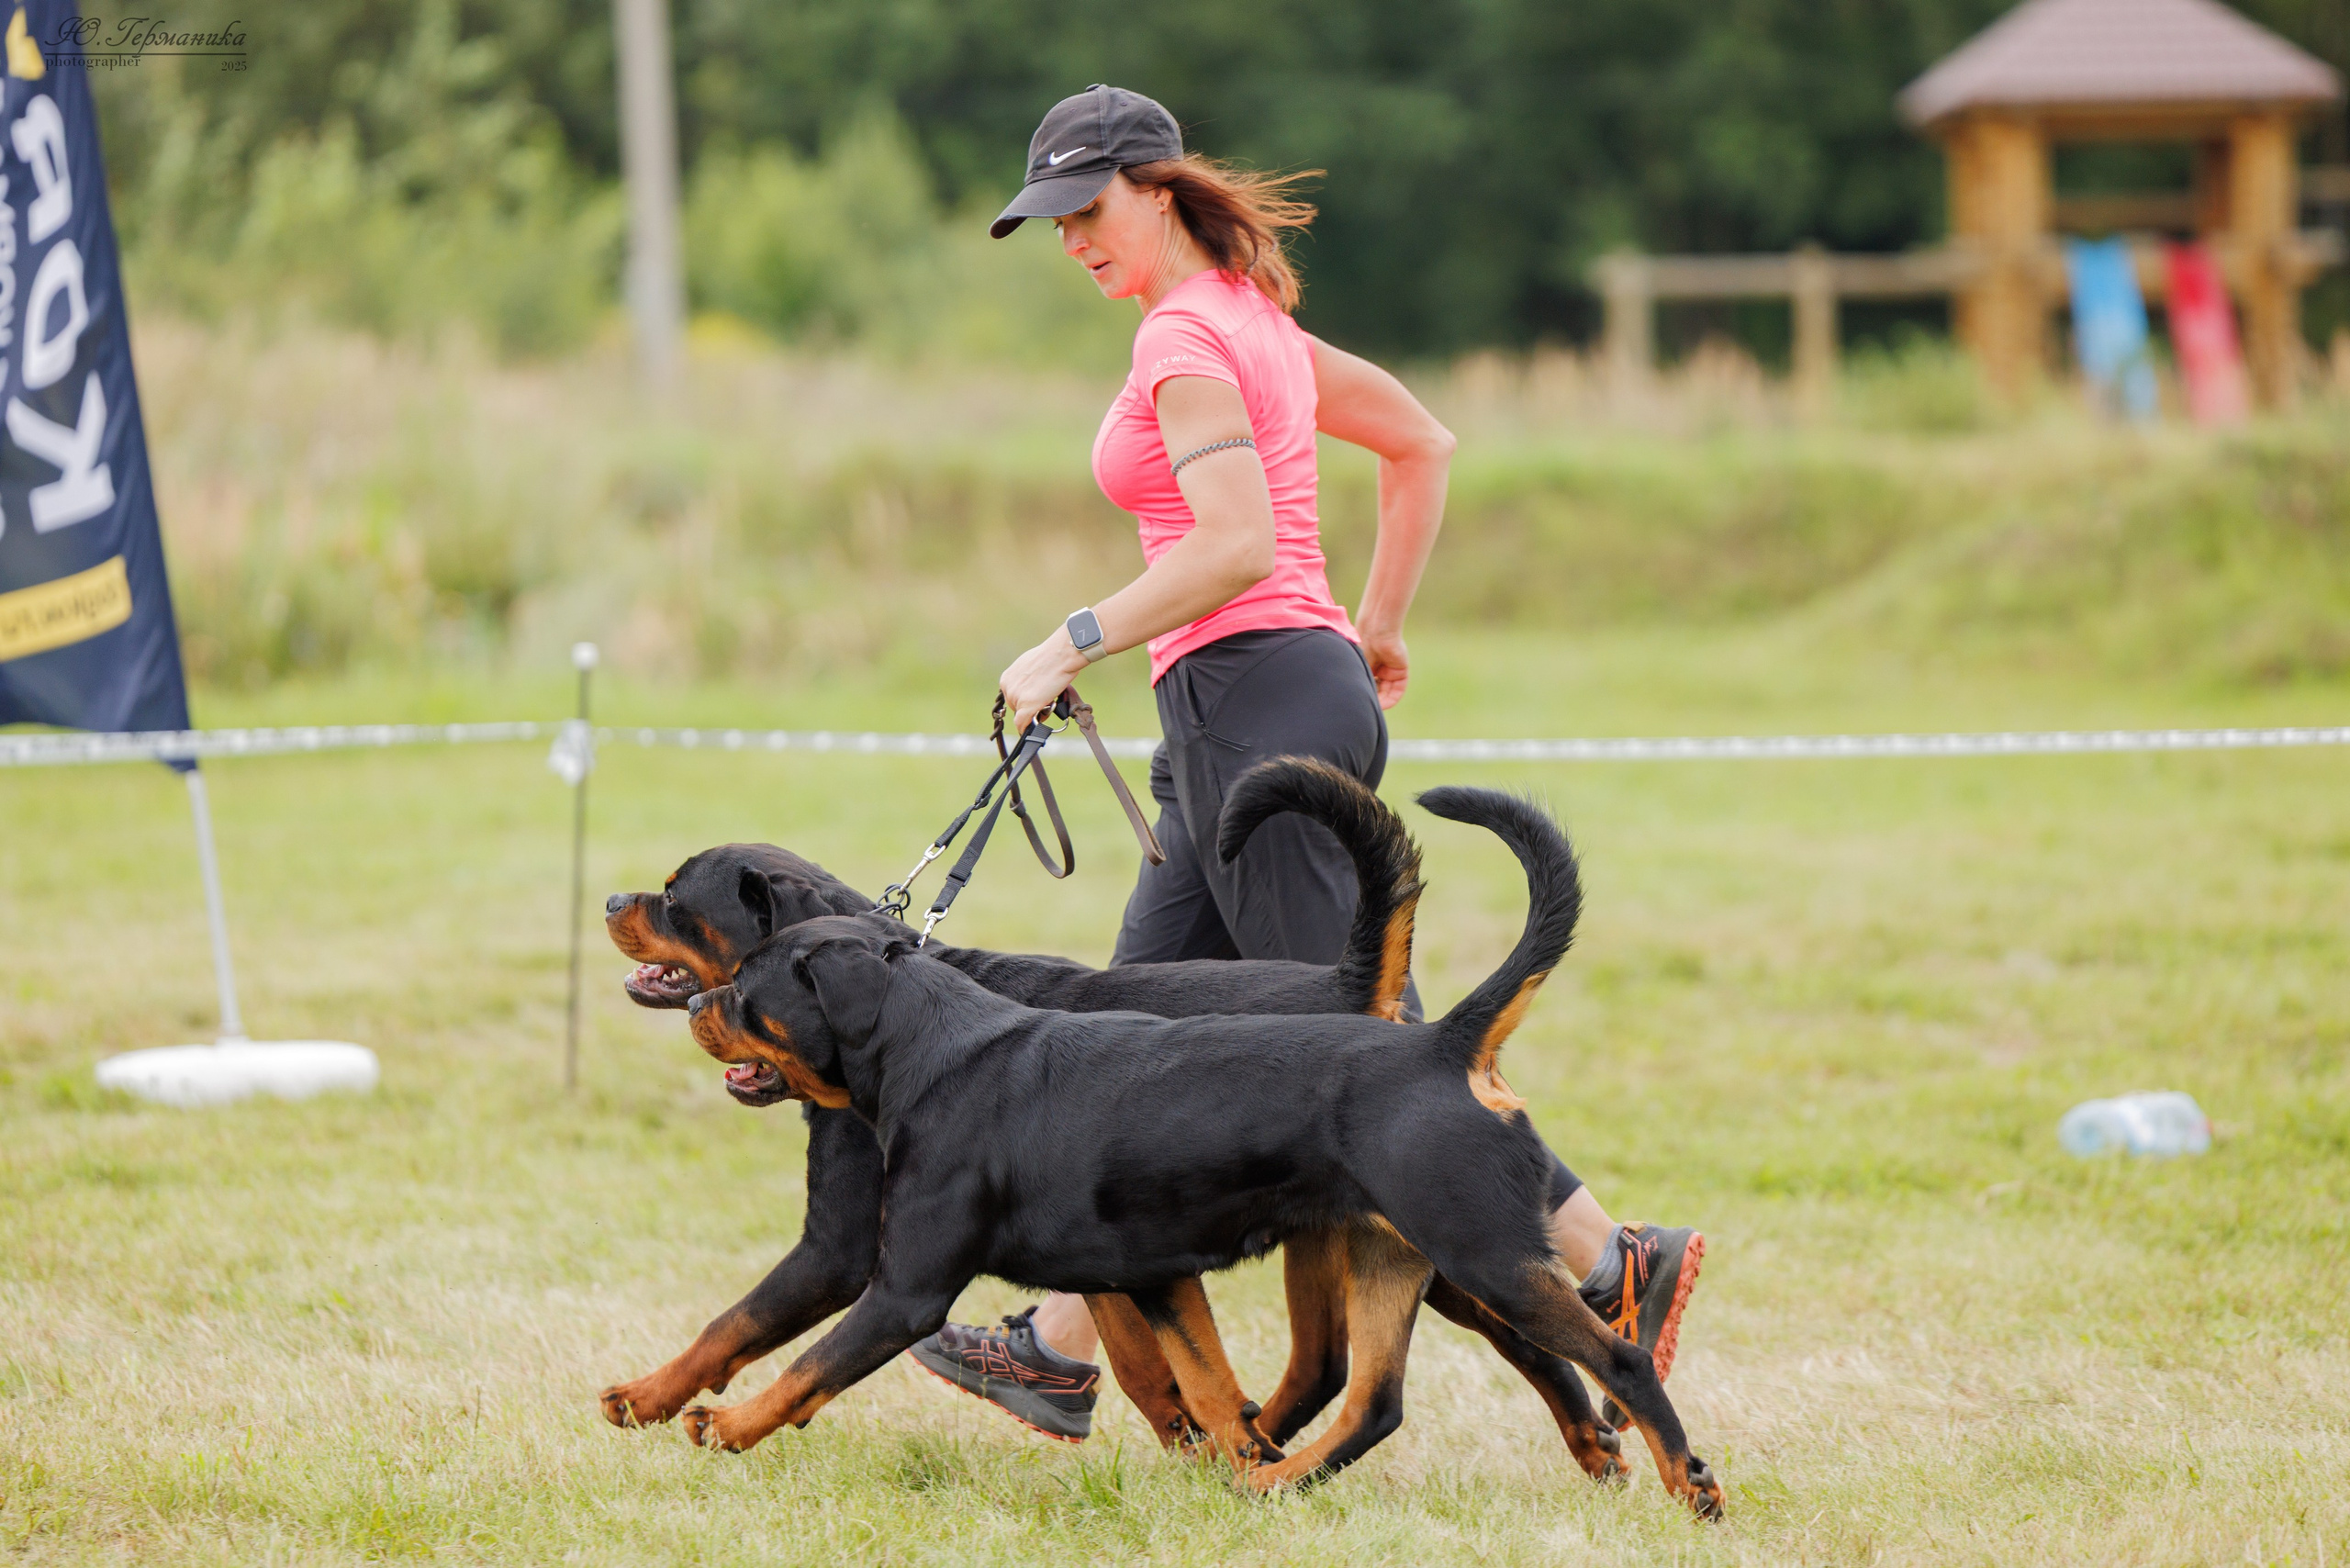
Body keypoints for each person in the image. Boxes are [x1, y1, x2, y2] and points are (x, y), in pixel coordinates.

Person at [907, 85, 1701, 1444]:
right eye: (1052, 223)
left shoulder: (1192, 338)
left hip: (1255, 700)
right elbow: (1422, 443)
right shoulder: (1255, 327)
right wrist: (1376, 624)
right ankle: (1055, 1342)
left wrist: (1067, 642)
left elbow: (1233, 545)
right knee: (1123, 1035)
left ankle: (1605, 1256)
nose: (1074, 242)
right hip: (1257, 701)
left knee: (1371, 1052)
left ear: (1155, 188)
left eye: (1089, 212)